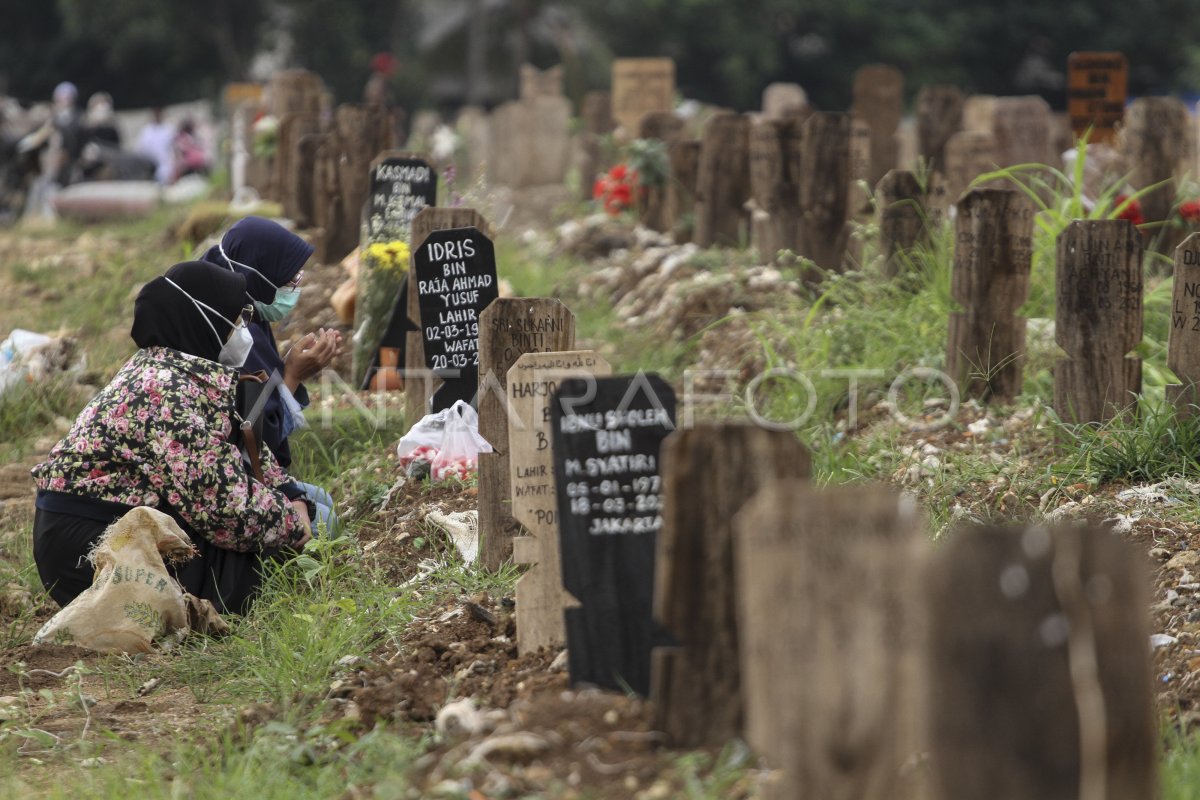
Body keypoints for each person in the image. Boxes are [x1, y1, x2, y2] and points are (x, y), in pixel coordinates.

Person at [31, 262, 313, 615]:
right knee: (262, 578)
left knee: (276, 550)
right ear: (205, 320)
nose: (243, 329)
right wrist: (293, 523)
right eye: (236, 318)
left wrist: (293, 496)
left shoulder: (180, 369)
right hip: (87, 545)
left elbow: (236, 450)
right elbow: (224, 508)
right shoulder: (163, 389)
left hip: (117, 525)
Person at [201, 217, 343, 534]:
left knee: (322, 499)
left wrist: (290, 368)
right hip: (227, 470)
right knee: (324, 518)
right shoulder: (231, 331)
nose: (295, 286)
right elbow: (254, 434)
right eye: (288, 277)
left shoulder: (247, 312)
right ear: (257, 275)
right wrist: (291, 375)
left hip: (242, 463)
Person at [135, 108, 174, 184]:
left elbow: (174, 149)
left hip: (165, 165)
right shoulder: (146, 131)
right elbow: (139, 149)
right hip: (149, 166)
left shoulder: (168, 130)